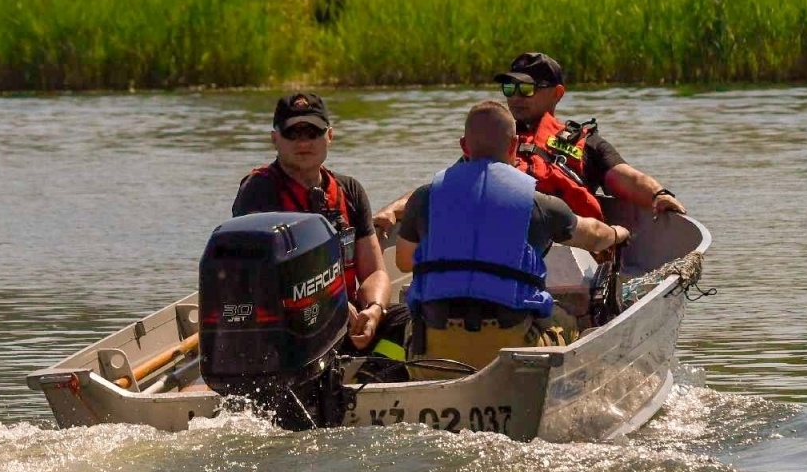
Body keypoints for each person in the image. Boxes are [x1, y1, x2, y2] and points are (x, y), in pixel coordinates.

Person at [394, 101, 632, 371]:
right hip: (510, 346)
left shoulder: (424, 197)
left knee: (407, 321)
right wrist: (617, 233)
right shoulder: (537, 202)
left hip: (433, 348)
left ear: (463, 146)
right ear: (514, 145)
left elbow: (404, 261)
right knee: (569, 319)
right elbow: (594, 236)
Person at [375, 51, 687, 236]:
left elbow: (622, 176)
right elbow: (442, 186)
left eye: (526, 88)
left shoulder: (585, 143)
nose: (514, 96)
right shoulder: (494, 139)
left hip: (571, 244)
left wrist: (658, 194)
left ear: (557, 93)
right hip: (499, 245)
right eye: (508, 86)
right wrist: (393, 210)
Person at [233, 92, 408, 363]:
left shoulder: (350, 190)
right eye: (293, 133)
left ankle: (375, 381)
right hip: (289, 327)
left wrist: (373, 311)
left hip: (348, 321)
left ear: (329, 136)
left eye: (312, 131)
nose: (304, 141)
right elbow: (264, 281)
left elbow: (374, 271)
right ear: (275, 139)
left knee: (410, 320)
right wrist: (333, 306)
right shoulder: (258, 192)